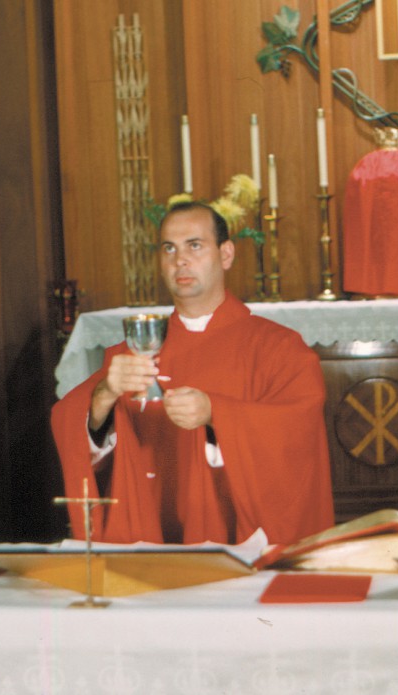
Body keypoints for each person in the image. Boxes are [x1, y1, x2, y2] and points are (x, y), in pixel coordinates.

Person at [51, 201, 334, 547]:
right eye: (169, 248)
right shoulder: (132, 353)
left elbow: (298, 433)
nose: (179, 260)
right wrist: (106, 393)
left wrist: (217, 413)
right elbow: (68, 421)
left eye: (194, 246)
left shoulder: (280, 349)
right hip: (151, 545)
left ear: (226, 254)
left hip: (240, 546)